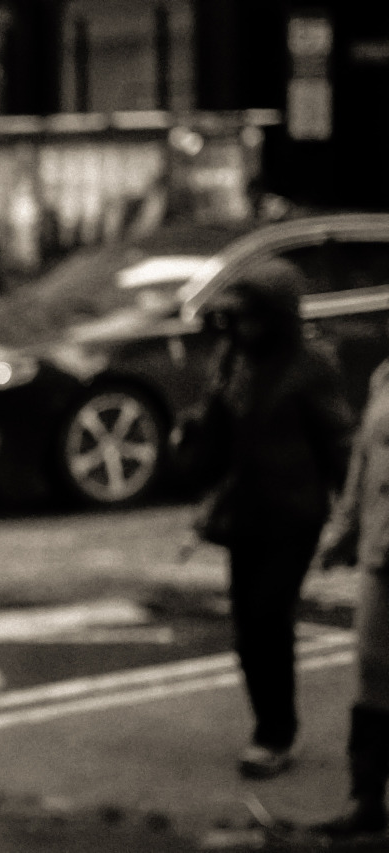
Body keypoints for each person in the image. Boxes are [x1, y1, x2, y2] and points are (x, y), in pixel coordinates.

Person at [180, 256, 354, 780]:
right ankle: (268, 725)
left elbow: (338, 442)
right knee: (247, 630)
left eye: (254, 317)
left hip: (293, 516)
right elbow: (217, 430)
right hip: (245, 516)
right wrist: (192, 437)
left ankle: (276, 733)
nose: (243, 327)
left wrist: (352, 519)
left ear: (277, 317)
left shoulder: (311, 365)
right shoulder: (234, 359)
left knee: (268, 619)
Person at [309, 356, 389, 839]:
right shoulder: (384, 375)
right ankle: (366, 800)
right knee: (374, 670)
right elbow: (364, 457)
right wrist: (343, 530)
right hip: (382, 550)